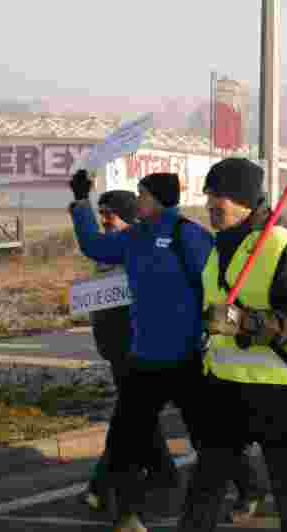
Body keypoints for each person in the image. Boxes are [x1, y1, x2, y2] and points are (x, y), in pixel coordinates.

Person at [135, 157, 287, 532]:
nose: (211, 203)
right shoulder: (219, 248)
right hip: (222, 390)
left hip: (276, 392)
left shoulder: (285, 247)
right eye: (209, 194)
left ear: (243, 198)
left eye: (219, 195)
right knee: (204, 489)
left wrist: (248, 323)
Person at [70, 170, 213, 532]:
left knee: (209, 438)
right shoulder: (134, 237)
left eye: (143, 195)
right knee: (127, 440)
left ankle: (247, 491)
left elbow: (214, 287)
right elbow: (95, 247)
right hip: (143, 356)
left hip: (185, 358)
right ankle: (128, 519)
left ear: (160, 198)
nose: (138, 201)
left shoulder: (189, 235)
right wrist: (82, 203)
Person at [79, 191, 181, 511]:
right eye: (101, 212)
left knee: (129, 417)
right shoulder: (107, 250)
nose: (105, 219)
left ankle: (101, 483)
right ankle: (165, 472)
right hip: (116, 348)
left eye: (110, 213)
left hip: (142, 348)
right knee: (141, 416)